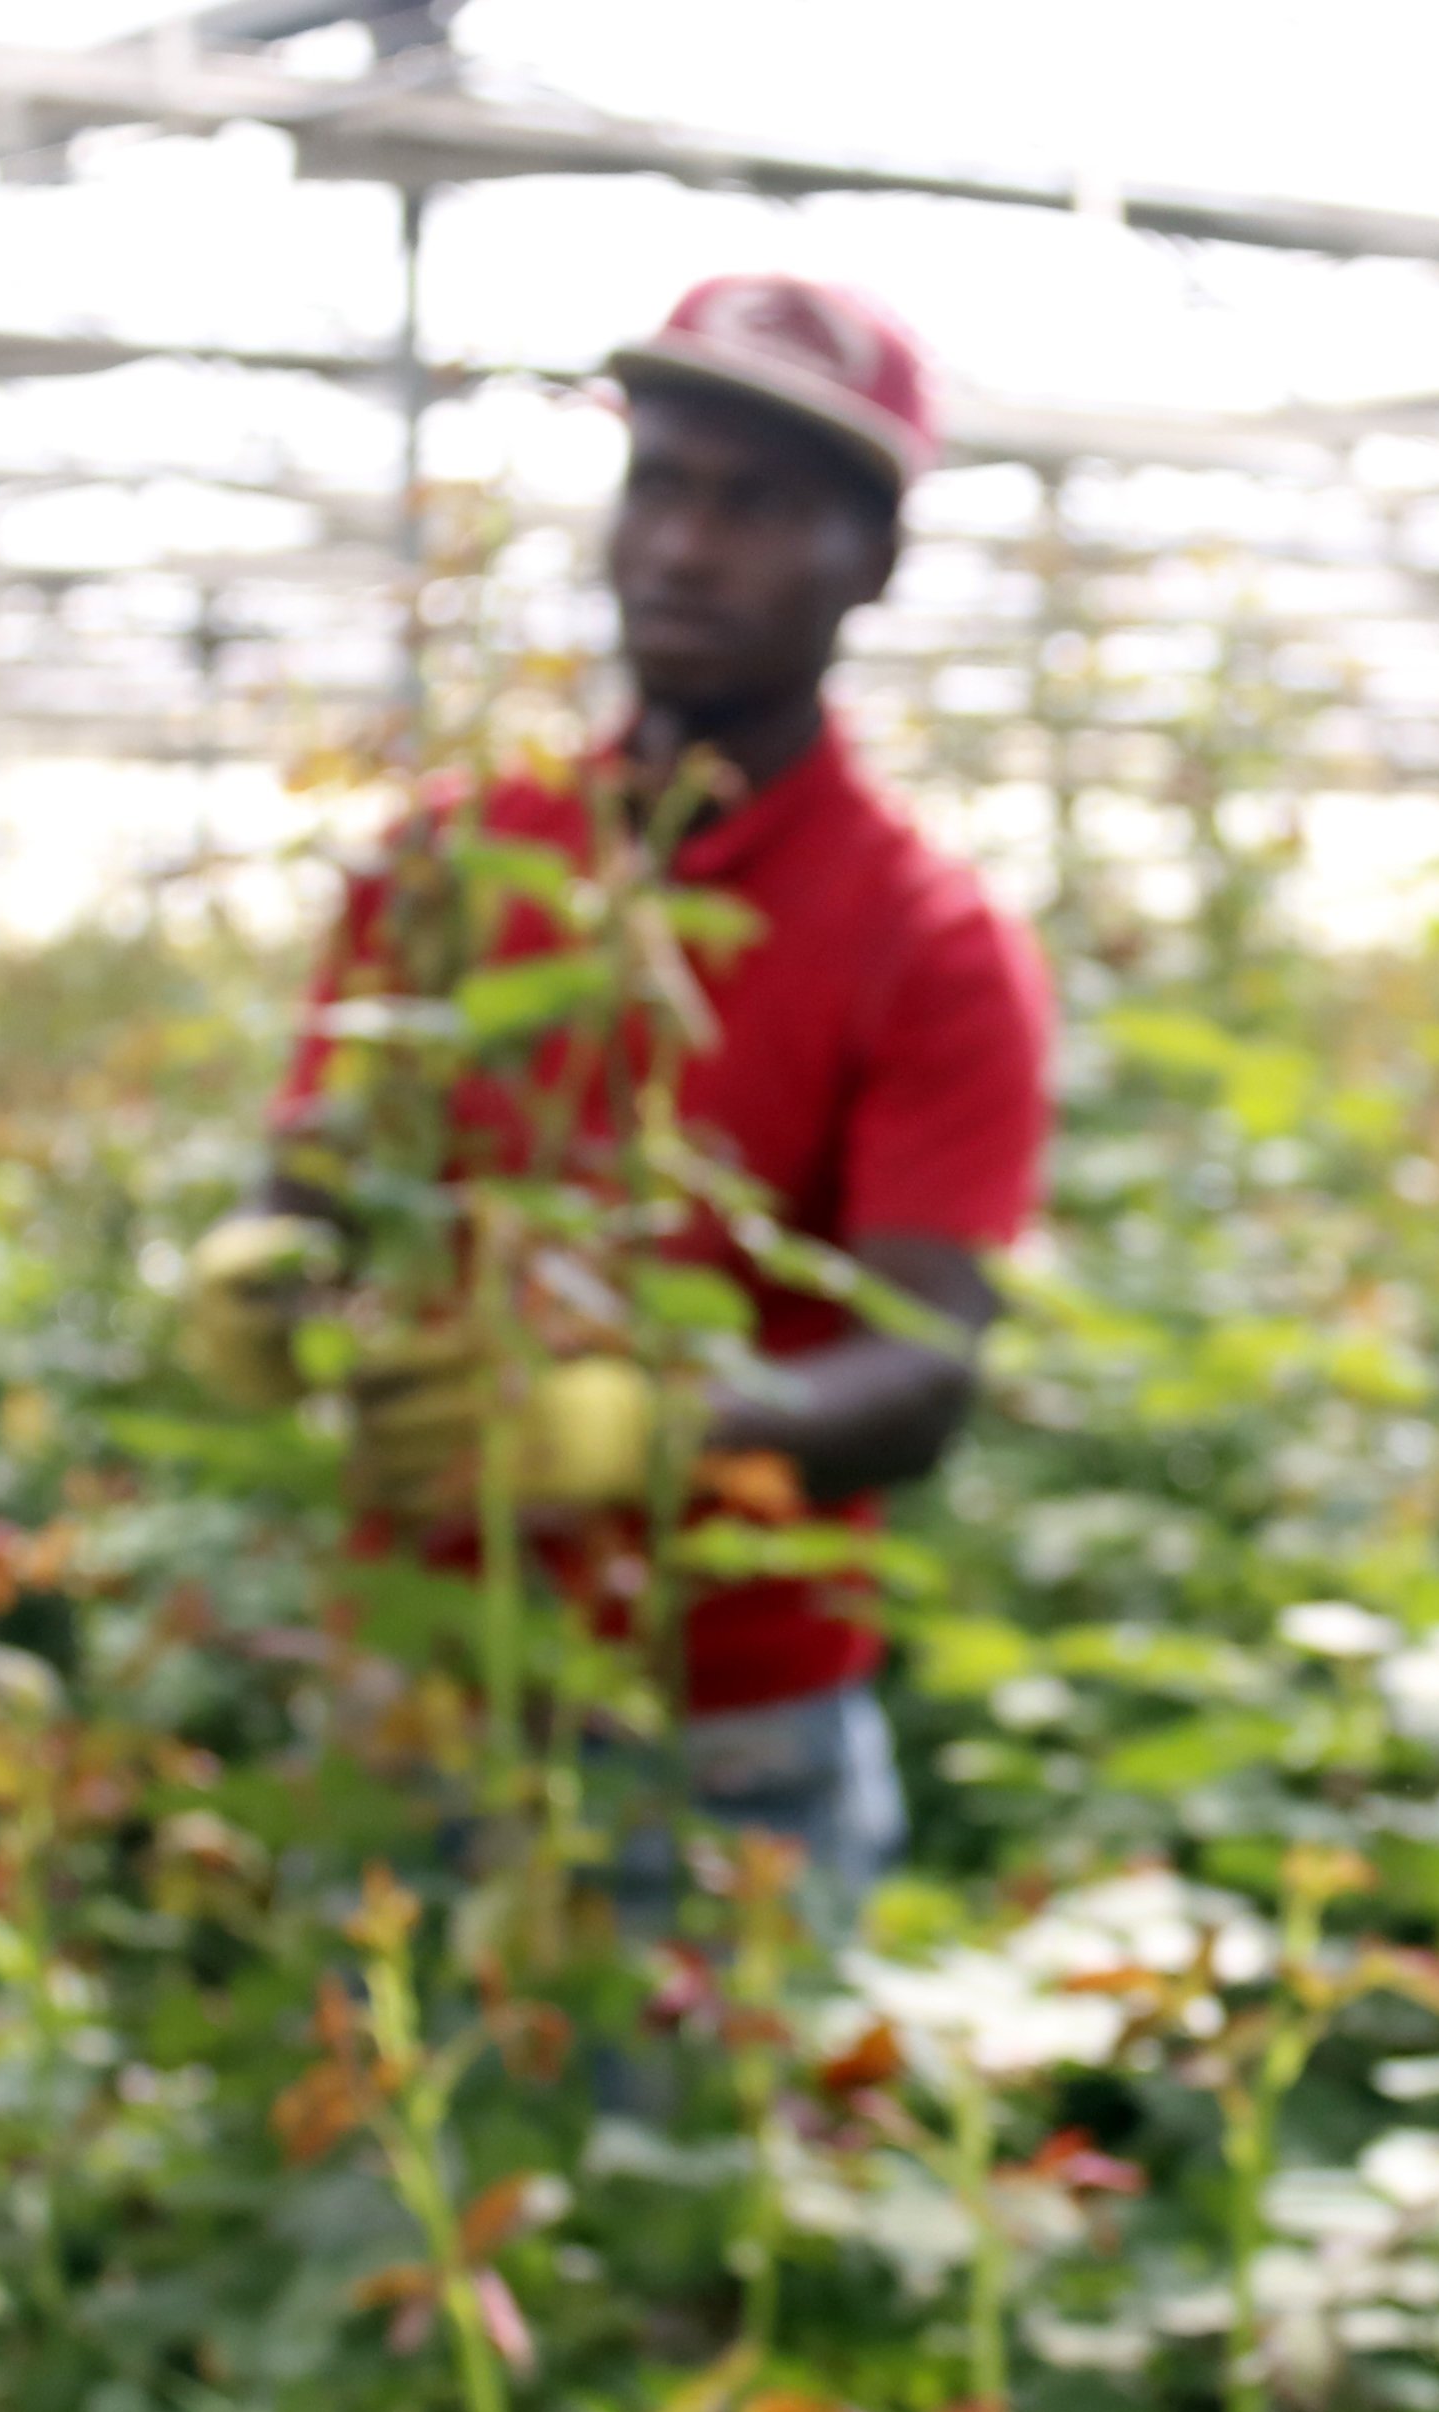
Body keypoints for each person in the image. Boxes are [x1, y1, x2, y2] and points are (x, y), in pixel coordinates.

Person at [180, 272, 1051, 1941]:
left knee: (689, 2174)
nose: (684, 545)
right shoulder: (452, 859)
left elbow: (927, 1365)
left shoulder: (930, 943)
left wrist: (647, 1428)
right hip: (420, 1668)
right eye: (661, 483)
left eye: (757, 504)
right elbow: (321, 1186)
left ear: (869, 561)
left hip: (717, 1738)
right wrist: (264, 1276)